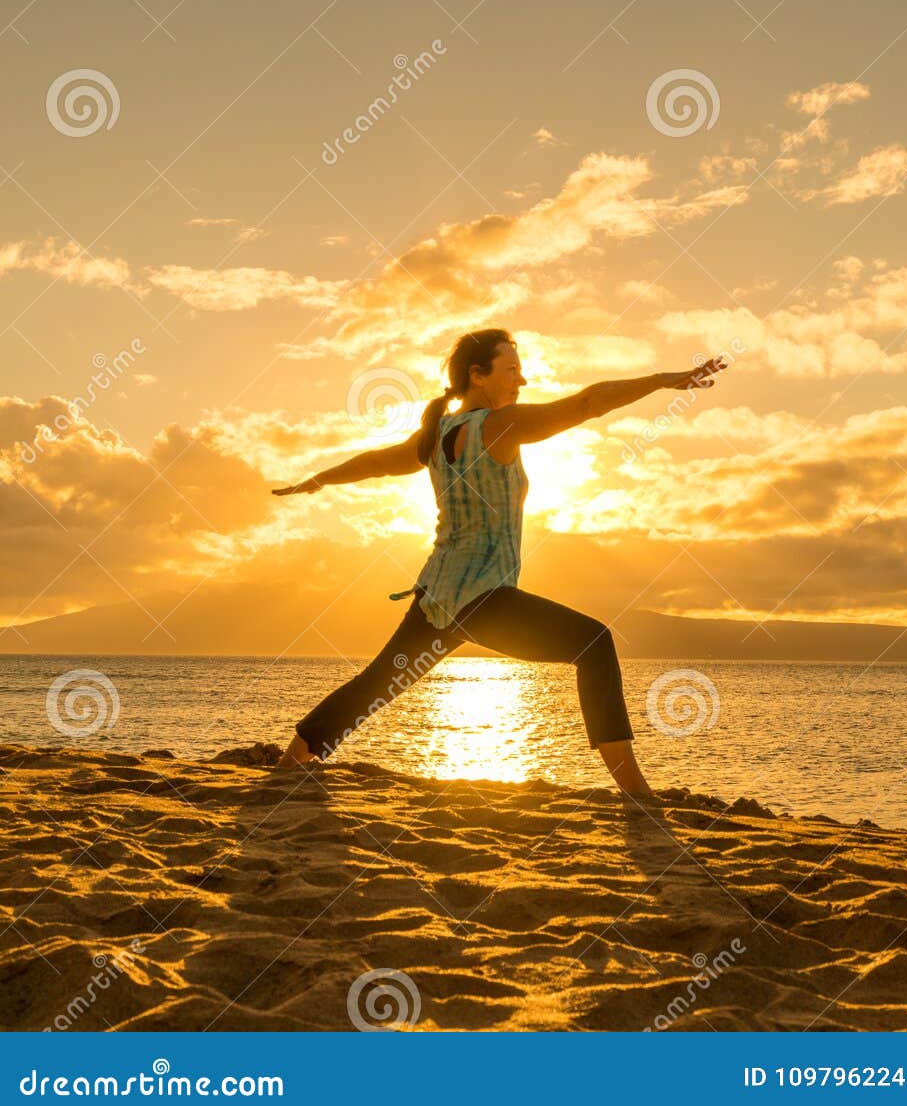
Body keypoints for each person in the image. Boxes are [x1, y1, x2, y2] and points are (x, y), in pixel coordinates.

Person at [272, 328, 727, 798]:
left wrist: (319, 480)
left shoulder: (436, 435)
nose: (521, 380)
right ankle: (634, 790)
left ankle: (289, 767)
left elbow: (377, 462)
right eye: (511, 369)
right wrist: (662, 380)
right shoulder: (500, 426)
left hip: (437, 597)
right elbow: (590, 402)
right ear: (477, 375)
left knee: (377, 683)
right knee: (593, 644)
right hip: (481, 598)